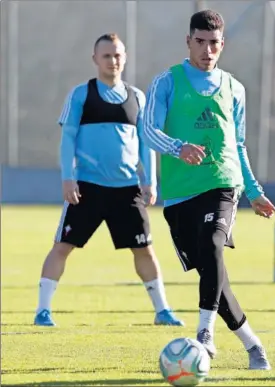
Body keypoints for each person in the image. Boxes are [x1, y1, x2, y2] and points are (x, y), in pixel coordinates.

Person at [143, 10, 275, 370]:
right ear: (188, 42)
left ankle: (205, 333)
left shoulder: (235, 88)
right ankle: (254, 345)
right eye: (200, 42)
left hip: (222, 182)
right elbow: (148, 130)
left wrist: (253, 190)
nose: (207, 50)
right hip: (179, 194)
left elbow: (240, 144)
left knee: (214, 244)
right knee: (212, 274)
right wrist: (178, 148)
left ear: (222, 44)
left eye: (214, 43)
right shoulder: (166, 82)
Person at [33, 33, 184, 328]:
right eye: (106, 56)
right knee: (62, 246)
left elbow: (146, 142)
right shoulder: (80, 95)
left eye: (117, 55)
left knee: (144, 249)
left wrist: (150, 181)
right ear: (95, 60)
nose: (112, 61)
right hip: (86, 189)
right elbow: (68, 140)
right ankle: (42, 311)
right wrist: (68, 178)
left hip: (127, 190)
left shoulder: (137, 97)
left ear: (124, 58)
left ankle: (162, 310)